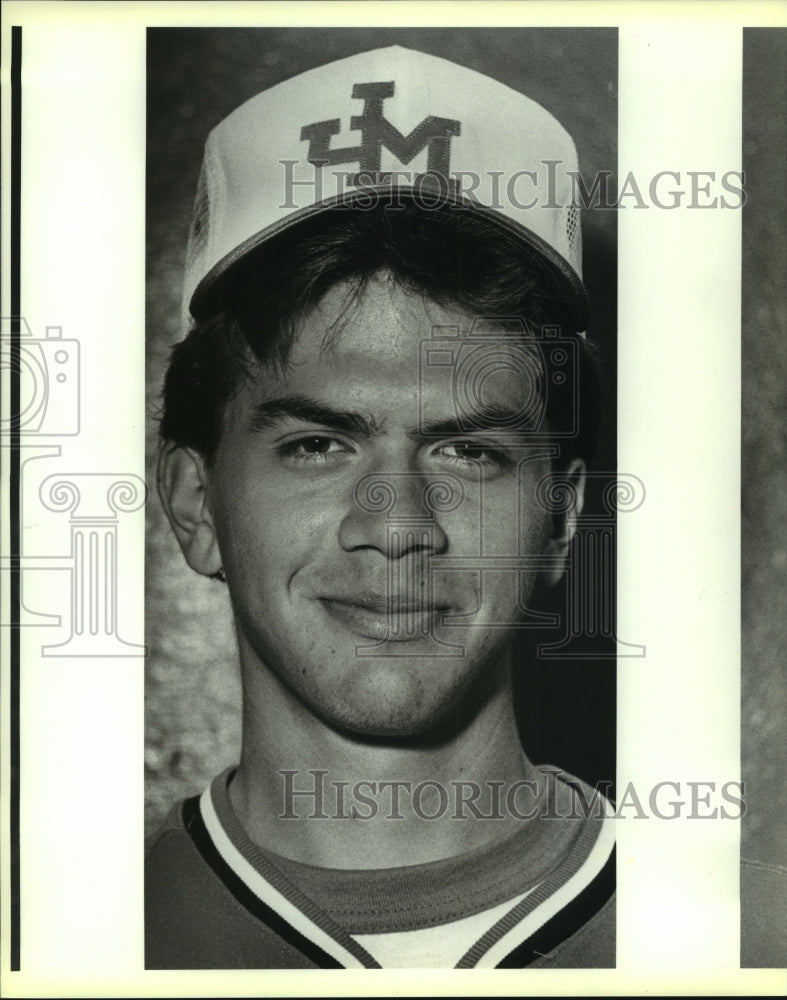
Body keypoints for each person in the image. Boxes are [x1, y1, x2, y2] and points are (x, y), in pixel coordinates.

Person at [145, 44, 615, 969]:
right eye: (317, 445)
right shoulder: (51, 943)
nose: (397, 525)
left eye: (468, 451)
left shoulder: (749, 941)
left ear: (559, 521)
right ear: (196, 504)